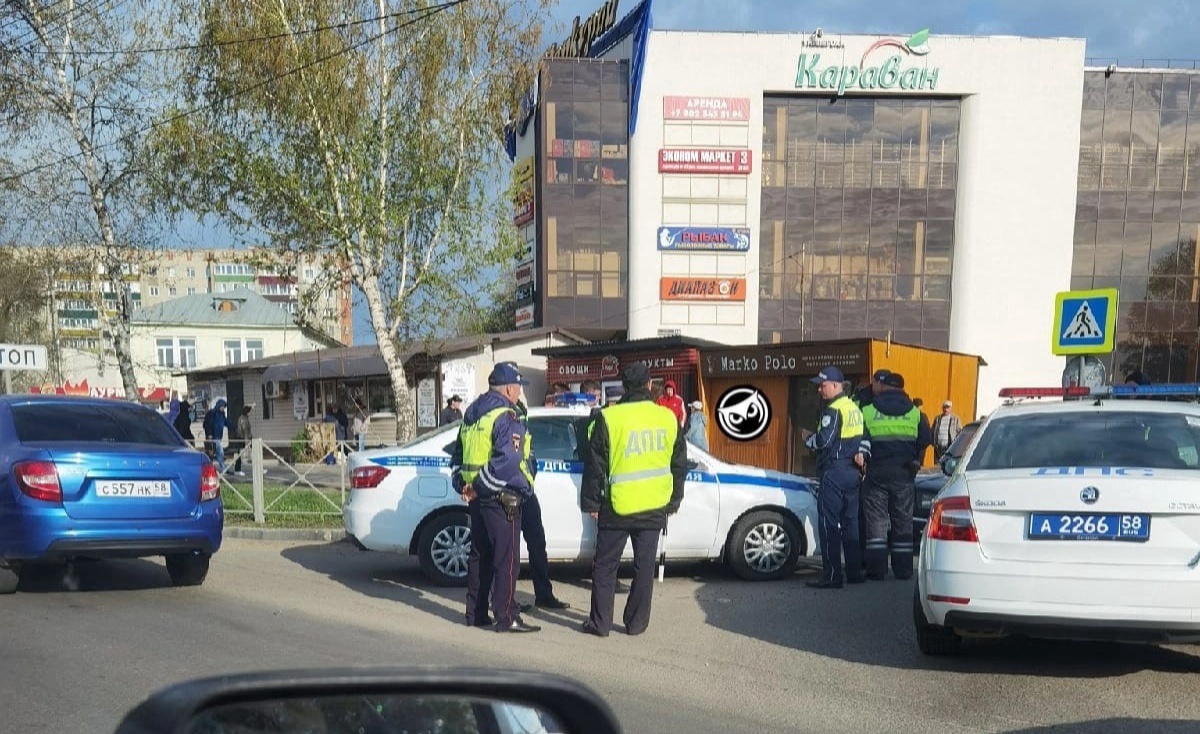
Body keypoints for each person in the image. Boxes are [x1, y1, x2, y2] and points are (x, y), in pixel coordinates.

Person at [580, 363, 687, 637]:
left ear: (624, 387)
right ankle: (636, 624)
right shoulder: (667, 418)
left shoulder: (609, 418)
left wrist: (591, 503)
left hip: (617, 506)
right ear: (650, 385)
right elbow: (679, 465)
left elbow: (596, 465)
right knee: (644, 568)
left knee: (605, 568)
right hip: (653, 506)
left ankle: (600, 624)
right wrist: (674, 501)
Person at [450, 363, 540, 633]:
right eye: (518, 389)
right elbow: (508, 460)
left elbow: (458, 454)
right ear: (510, 388)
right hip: (501, 497)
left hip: (478, 499)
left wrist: (464, 485)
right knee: (506, 559)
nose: (519, 394)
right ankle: (507, 616)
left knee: (480, 556)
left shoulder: (472, 413)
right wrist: (479, 487)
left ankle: (476, 613)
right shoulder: (506, 416)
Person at [859, 372, 931, 581]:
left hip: (876, 473)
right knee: (903, 521)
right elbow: (924, 440)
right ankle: (903, 570)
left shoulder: (868, 410)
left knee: (876, 522)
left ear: (885, 387)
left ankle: (877, 569)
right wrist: (915, 461)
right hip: (904, 472)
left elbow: (861, 439)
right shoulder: (916, 413)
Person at [800, 366, 866, 589]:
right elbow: (865, 438)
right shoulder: (854, 408)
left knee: (829, 524)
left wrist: (808, 439)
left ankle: (832, 575)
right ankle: (854, 572)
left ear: (836, 386)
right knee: (850, 523)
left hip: (834, 471)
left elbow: (823, 442)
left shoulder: (833, 410)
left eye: (823, 385)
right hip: (852, 473)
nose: (820, 389)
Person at [204, 399, 229, 473]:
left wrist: (234, 427)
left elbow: (226, 422)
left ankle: (216, 469)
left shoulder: (222, 415)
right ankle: (222, 469)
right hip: (212, 437)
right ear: (218, 405)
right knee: (219, 453)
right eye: (222, 406)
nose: (223, 408)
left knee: (214, 454)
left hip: (218, 437)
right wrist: (209, 434)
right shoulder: (211, 413)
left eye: (224, 407)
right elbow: (207, 424)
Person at [233, 405, 253, 477]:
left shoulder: (244, 418)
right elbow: (245, 430)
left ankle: (238, 470)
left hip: (245, 438)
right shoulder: (243, 419)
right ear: (247, 412)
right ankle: (237, 470)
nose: (251, 413)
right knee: (240, 454)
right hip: (242, 438)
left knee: (254, 453)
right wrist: (247, 440)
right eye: (250, 412)